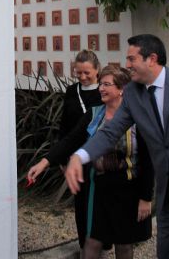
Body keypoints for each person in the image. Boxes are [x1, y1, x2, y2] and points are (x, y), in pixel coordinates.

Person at [65, 34, 169, 259]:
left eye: (131, 59)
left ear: (152, 59)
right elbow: (110, 132)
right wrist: (80, 156)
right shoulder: (132, 94)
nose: (127, 65)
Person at [28, 66, 153, 258]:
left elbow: (147, 159)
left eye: (107, 84)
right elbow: (70, 140)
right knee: (93, 240)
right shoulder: (95, 114)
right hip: (99, 189)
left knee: (124, 243)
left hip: (128, 189)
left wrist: (146, 198)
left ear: (121, 89)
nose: (101, 88)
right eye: (101, 83)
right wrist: (44, 162)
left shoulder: (136, 116)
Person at [57, 51, 103, 249]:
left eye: (87, 73)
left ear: (97, 70)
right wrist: (61, 156)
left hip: (101, 154)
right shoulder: (71, 91)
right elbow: (65, 124)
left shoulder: (104, 90)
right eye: (79, 73)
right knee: (81, 202)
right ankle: (85, 243)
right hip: (76, 154)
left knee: (101, 200)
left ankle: (103, 241)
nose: (83, 77)